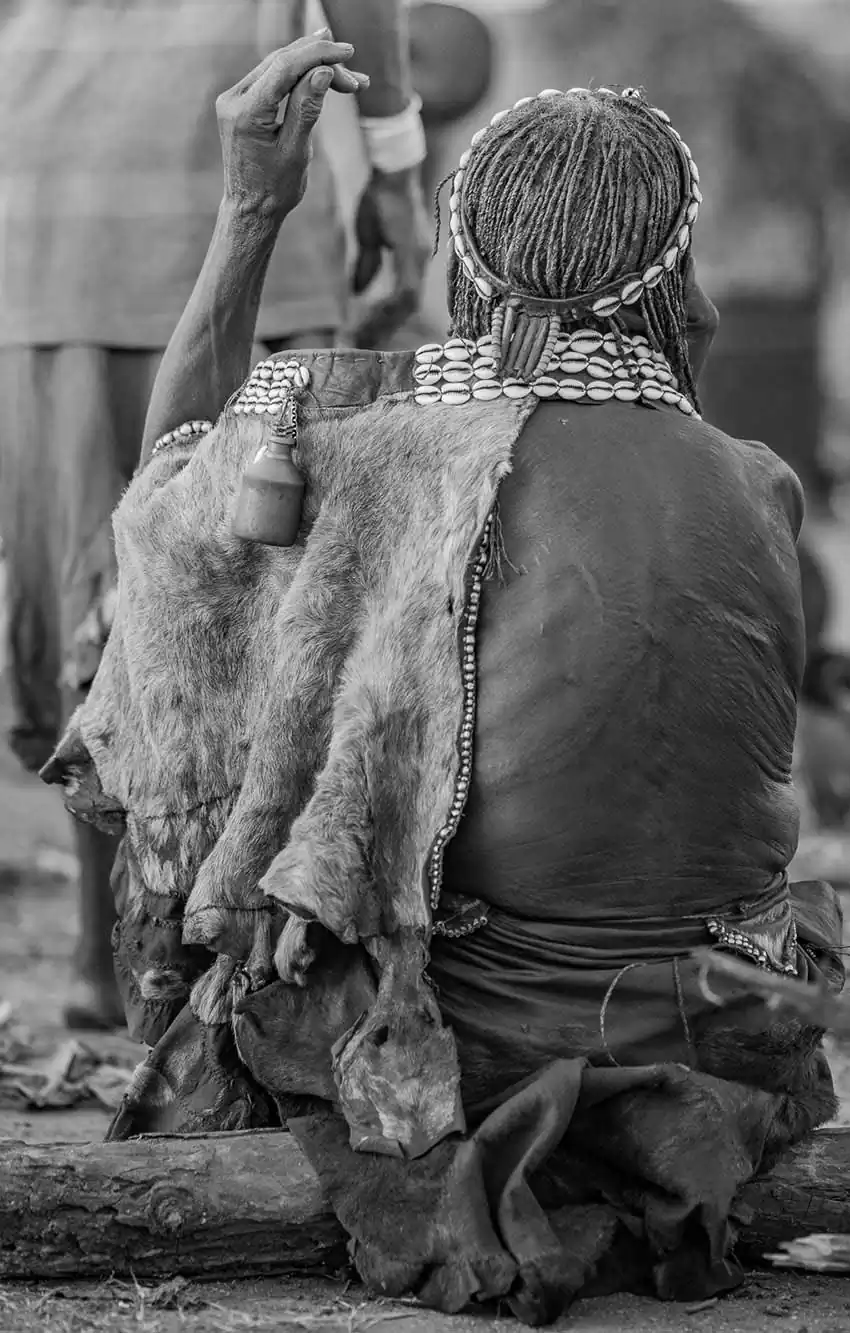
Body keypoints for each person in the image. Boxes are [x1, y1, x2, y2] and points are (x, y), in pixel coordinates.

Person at [43, 36, 844, 1323]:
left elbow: (164, 547)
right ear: (676, 284)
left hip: (458, 1051)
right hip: (720, 1026)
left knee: (224, 725)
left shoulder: (380, 455)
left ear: (464, 265)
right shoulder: (759, 479)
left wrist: (255, 206)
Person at [0, 0, 432, 1030]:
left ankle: (107, 951)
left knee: (93, 566)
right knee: (279, 577)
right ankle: (239, 944)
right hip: (235, 154)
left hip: (45, 183)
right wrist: (396, 166)